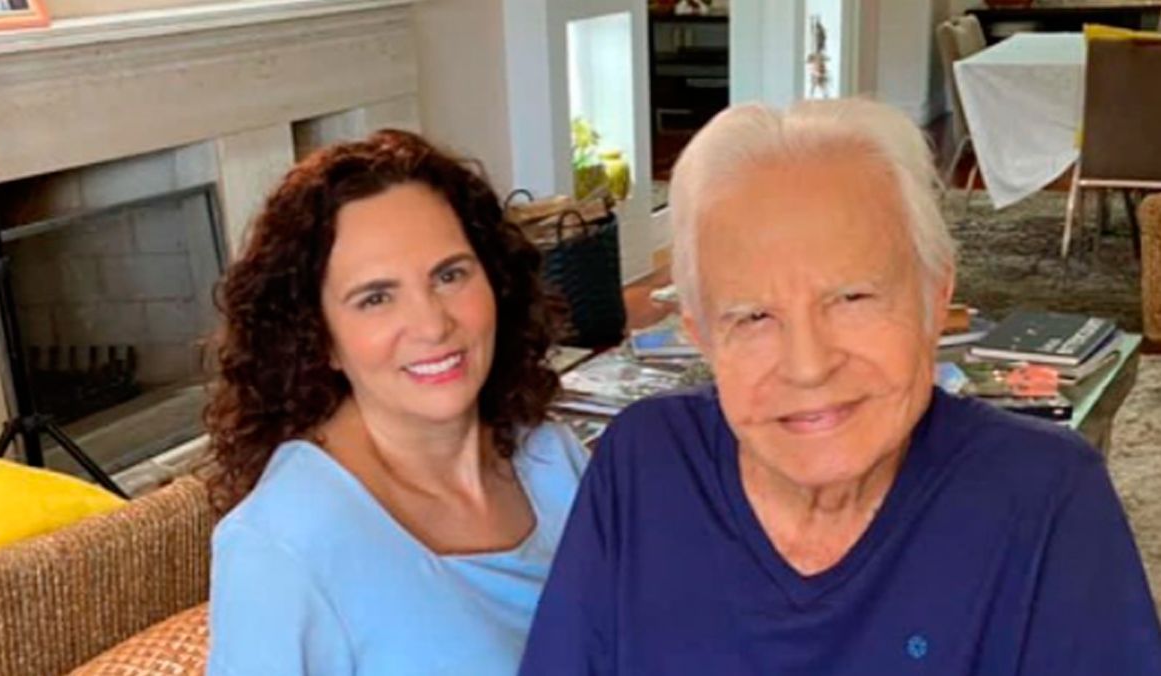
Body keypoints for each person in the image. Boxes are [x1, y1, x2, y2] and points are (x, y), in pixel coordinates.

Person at [520, 99, 1161, 674]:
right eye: (753, 316)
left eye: (853, 298)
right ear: (702, 335)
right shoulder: (646, 462)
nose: (808, 366)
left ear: (936, 296)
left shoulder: (1045, 495)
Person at [205, 130, 587, 675]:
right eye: (376, 298)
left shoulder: (551, 455)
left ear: (495, 281)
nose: (432, 325)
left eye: (450, 275)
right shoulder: (279, 546)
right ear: (318, 336)